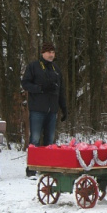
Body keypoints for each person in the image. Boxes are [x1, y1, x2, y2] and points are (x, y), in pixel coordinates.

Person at [21, 42, 67, 177]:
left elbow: (61, 90)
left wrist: (63, 107)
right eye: (48, 52)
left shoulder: (56, 70)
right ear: (42, 53)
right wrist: (40, 89)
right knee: (34, 139)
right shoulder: (34, 67)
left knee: (49, 141)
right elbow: (25, 83)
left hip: (52, 110)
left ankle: (47, 168)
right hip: (37, 109)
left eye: (53, 52)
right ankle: (31, 168)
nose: (51, 55)